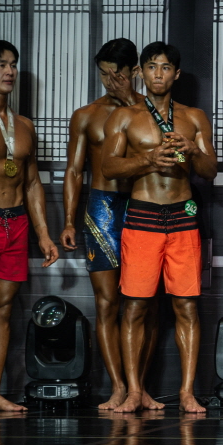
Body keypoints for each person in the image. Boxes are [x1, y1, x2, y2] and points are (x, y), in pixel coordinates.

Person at [101, 42, 216, 415]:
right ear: (140, 72)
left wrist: (193, 151)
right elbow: (108, 168)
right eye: (151, 67)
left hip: (182, 219)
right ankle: (135, 392)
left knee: (186, 306)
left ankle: (186, 393)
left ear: (176, 74)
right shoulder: (124, 117)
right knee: (135, 306)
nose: (158, 74)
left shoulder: (194, 117)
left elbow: (210, 171)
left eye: (166, 67)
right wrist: (148, 159)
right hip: (143, 218)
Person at [59, 38, 156, 410]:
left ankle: (139, 388)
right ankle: (118, 387)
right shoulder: (87, 115)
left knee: (144, 304)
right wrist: (68, 221)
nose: (110, 81)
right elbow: (74, 171)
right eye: (104, 74)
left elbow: (165, 151)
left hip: (144, 204)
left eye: (117, 74)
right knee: (107, 302)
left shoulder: (151, 111)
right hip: (102, 209)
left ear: (134, 72)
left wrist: (132, 101)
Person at [0, 41, 60, 412]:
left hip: (15, 222)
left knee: (2, 310)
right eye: (1, 64)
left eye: (13, 64)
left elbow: (33, 182)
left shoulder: (24, 126)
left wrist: (44, 235)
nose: (9, 71)